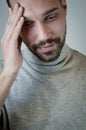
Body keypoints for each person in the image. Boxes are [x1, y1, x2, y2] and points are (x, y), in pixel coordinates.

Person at [0, 0, 86, 129]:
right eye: (27, 24)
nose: (43, 36)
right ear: (13, 22)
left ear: (64, 7)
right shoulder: (3, 77)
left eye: (50, 17)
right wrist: (8, 73)